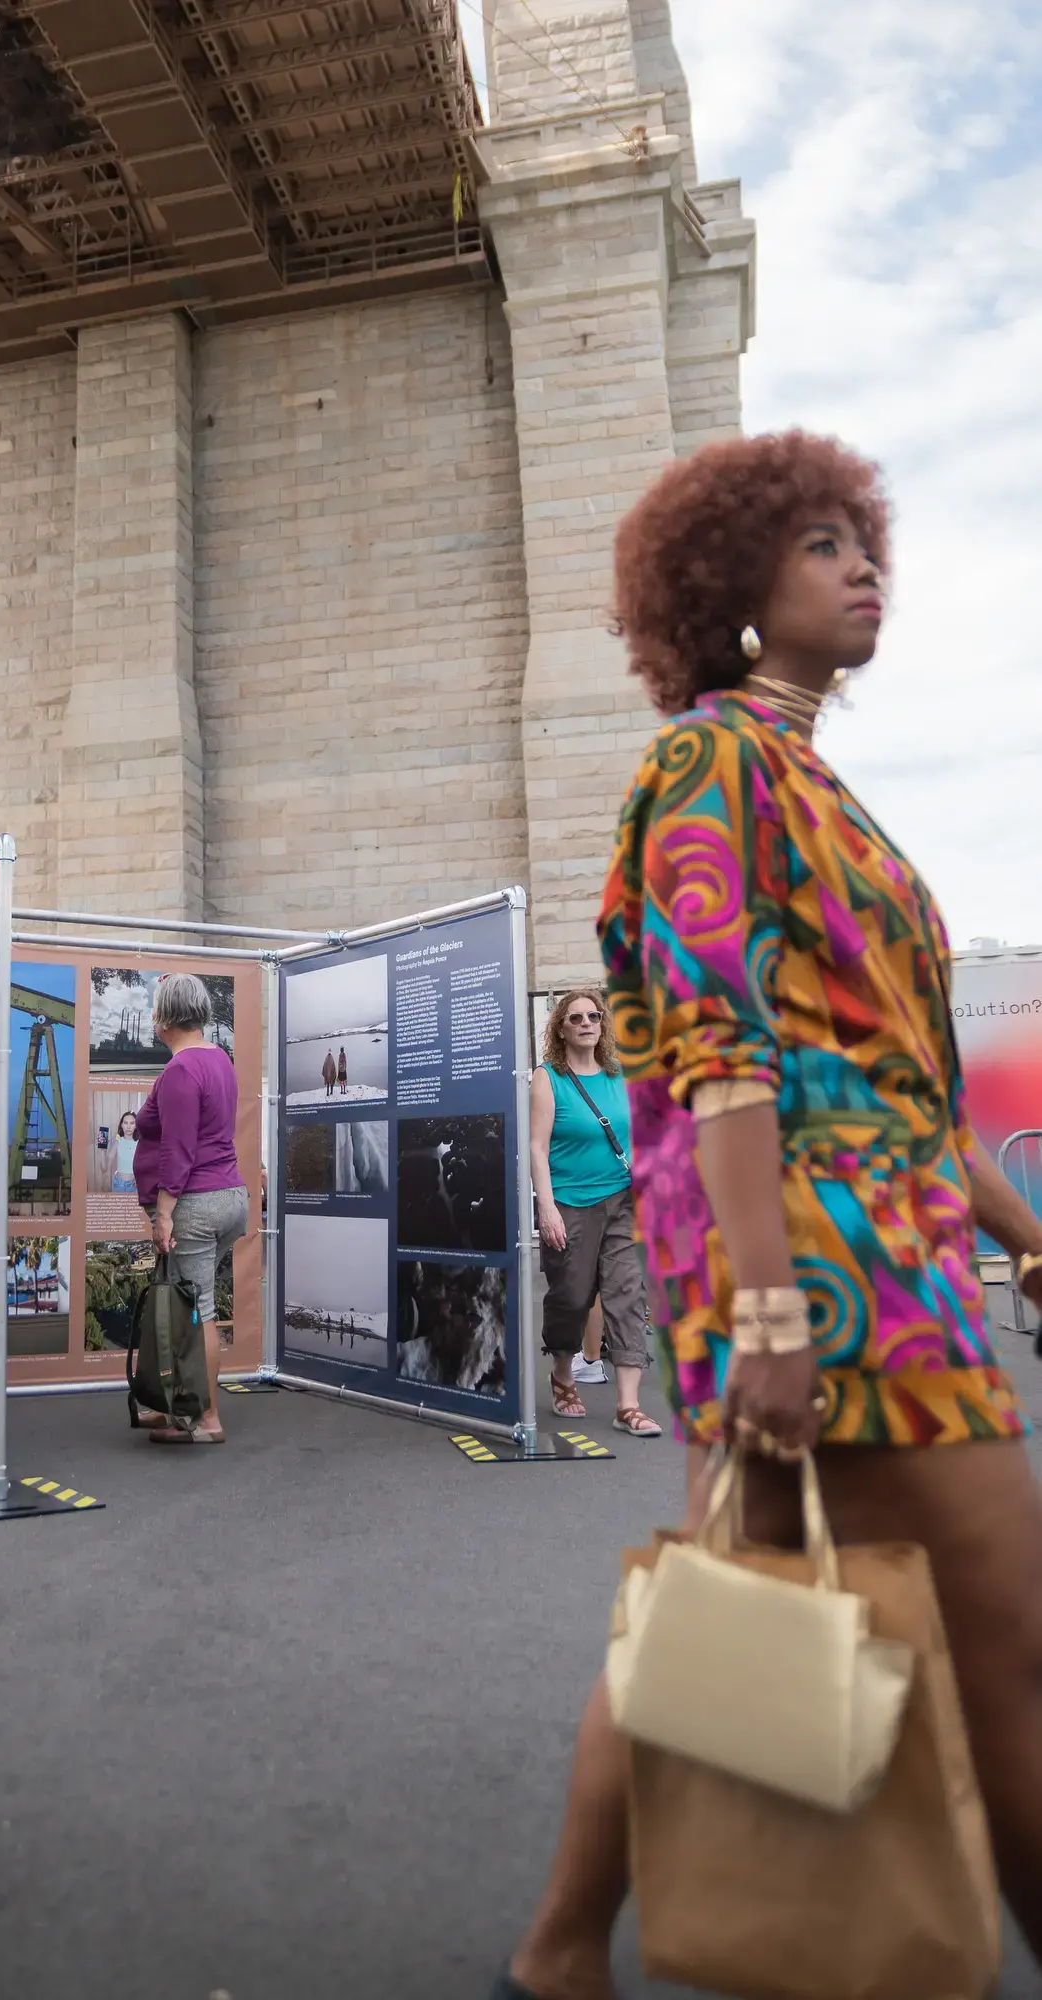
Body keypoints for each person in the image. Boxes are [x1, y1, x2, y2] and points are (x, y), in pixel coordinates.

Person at [495, 430, 1042, 1999]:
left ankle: (549, 1960)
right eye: (818, 542)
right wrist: (764, 1310)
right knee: (1001, 1649)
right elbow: (717, 1047)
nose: (862, 563)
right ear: (731, 586)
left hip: (897, 1257)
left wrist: (1018, 1234)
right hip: (815, 1273)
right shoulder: (705, 764)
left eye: (857, 537)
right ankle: (547, 1958)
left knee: (732, 1595)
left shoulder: (820, 786)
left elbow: (909, 1094)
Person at [529, 990, 659, 1434]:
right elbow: (537, 1147)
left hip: (622, 1201)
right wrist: (545, 1205)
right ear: (561, 1028)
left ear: (602, 1024)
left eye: (593, 1016)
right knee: (572, 1296)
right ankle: (563, 1377)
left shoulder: (621, 1076)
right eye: (576, 1017)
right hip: (570, 1203)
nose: (586, 1022)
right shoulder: (548, 1078)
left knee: (626, 1295)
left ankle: (628, 1406)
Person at [134, 972, 248, 1445]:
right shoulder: (219, 1059)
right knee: (187, 1307)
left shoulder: (181, 1070)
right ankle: (174, 1404)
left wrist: (163, 1215)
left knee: (197, 1309)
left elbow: (178, 1150)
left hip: (196, 1205)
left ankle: (208, 1420)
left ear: (163, 1018)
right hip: (229, 1197)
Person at [111, 1110, 138, 1194]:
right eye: (126, 1123)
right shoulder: (117, 1142)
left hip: (135, 1185)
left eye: (132, 1123)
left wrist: (139, 1177)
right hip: (118, 1184)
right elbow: (104, 1167)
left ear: (136, 1125)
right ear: (122, 1125)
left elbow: (147, 1164)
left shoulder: (140, 1144)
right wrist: (102, 1151)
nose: (128, 1126)